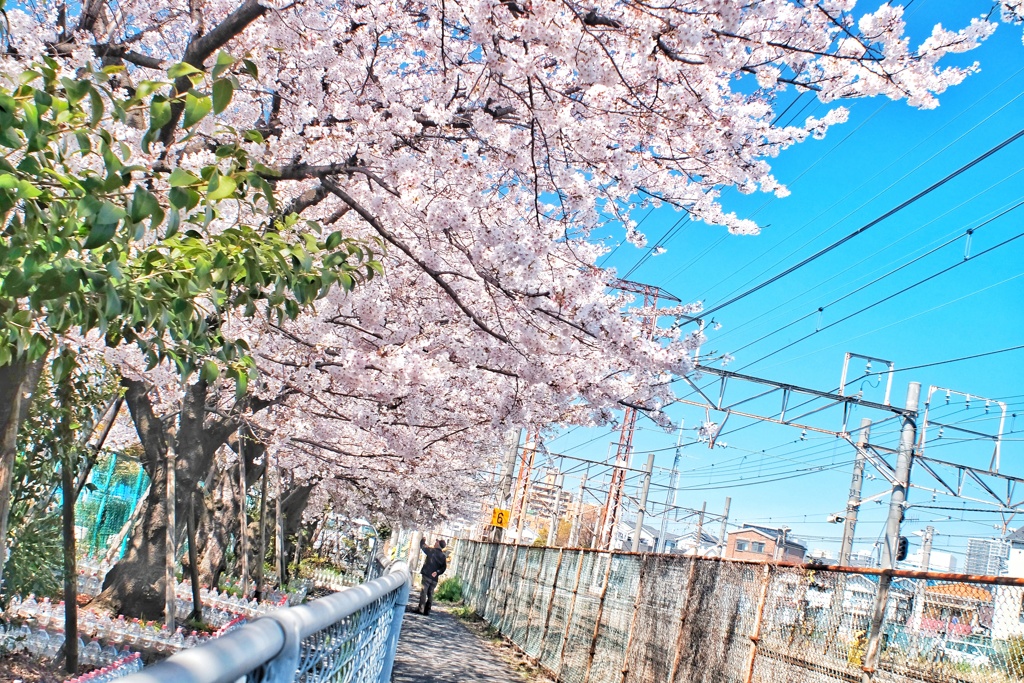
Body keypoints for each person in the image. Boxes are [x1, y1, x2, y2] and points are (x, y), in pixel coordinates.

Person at [417, 538, 447, 615]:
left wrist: (423, 540)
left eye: (436, 542)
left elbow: (423, 546)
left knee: (424, 592)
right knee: (430, 594)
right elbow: (443, 568)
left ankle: (421, 609)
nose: (435, 543)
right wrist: (437, 572)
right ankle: (427, 610)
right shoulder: (443, 557)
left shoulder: (431, 551)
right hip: (434, 578)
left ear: (438, 544)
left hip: (427, 575)